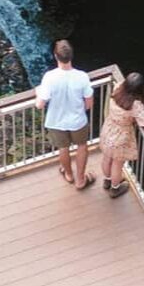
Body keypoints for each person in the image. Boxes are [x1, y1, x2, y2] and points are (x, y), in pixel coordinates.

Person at [36, 39, 95, 189]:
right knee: (81, 146)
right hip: (77, 120)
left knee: (63, 148)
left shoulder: (49, 77)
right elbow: (89, 103)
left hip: (56, 121)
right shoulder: (82, 76)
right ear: (71, 56)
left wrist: (38, 92)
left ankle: (68, 174)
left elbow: (40, 105)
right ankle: (81, 180)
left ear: (56, 56)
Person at [100, 72, 144, 198]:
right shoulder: (135, 105)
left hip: (109, 129)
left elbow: (121, 85)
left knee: (107, 158)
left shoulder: (117, 89)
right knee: (117, 164)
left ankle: (107, 180)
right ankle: (115, 188)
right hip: (121, 137)